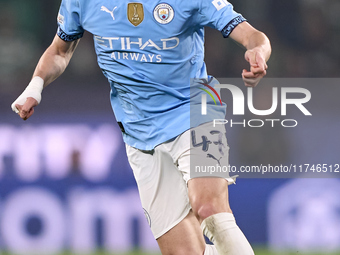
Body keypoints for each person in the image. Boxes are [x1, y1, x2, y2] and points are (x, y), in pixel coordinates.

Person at [11, 0, 271, 254]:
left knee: (210, 210)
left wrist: (258, 51)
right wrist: (35, 87)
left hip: (196, 110)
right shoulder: (81, 2)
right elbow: (60, 51)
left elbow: (253, 36)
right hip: (139, 133)